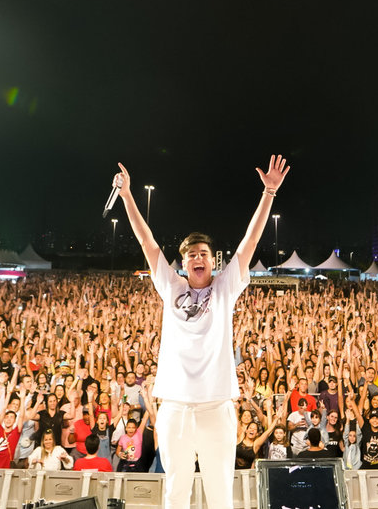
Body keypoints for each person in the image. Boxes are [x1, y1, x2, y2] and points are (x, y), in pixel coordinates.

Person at [111, 155, 289, 509]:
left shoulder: (225, 288)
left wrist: (269, 193)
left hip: (216, 406)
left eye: (204, 253)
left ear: (212, 261)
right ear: (183, 262)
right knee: (175, 492)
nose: (198, 258)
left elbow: (250, 242)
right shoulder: (171, 287)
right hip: (174, 407)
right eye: (191, 254)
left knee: (219, 494)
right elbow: (147, 243)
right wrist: (128, 196)